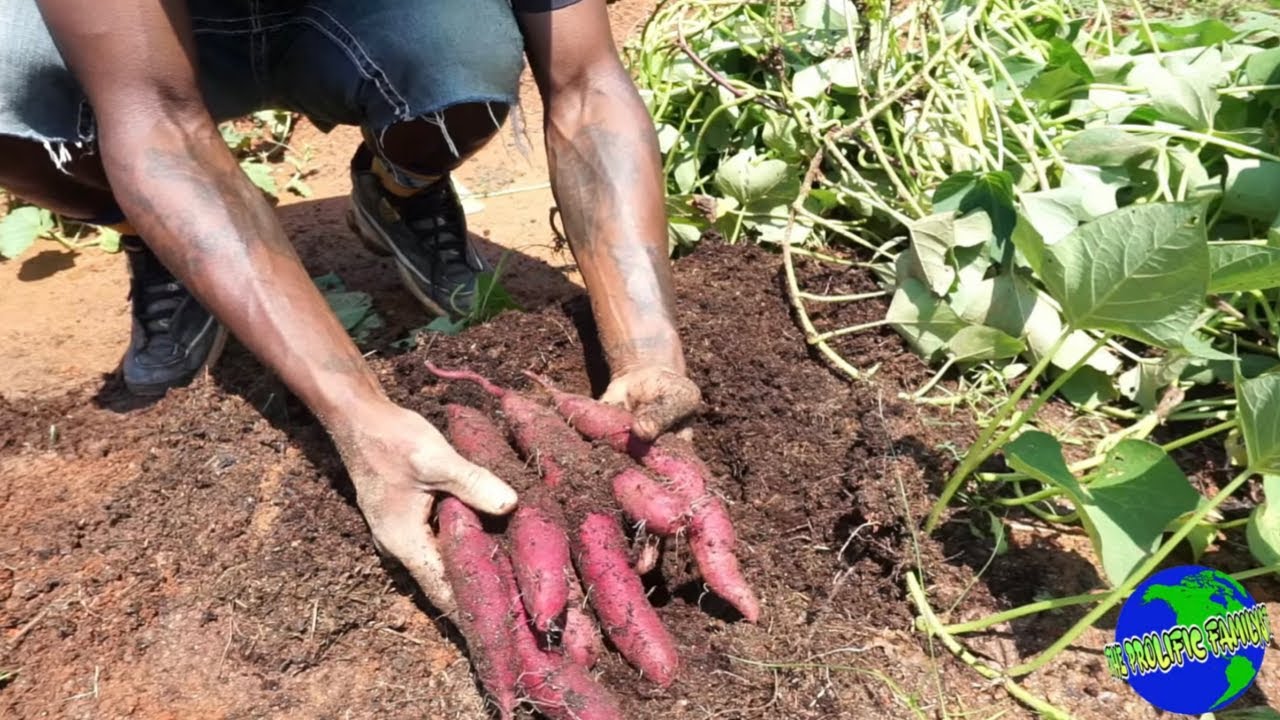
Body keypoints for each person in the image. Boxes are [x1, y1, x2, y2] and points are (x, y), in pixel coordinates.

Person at [1, 0, 702, 612]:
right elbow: (156, 120)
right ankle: (154, 236)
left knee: (467, 51)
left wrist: (648, 354)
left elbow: (585, 83)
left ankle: (401, 189)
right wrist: (361, 420)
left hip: (345, 12)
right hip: (135, 40)